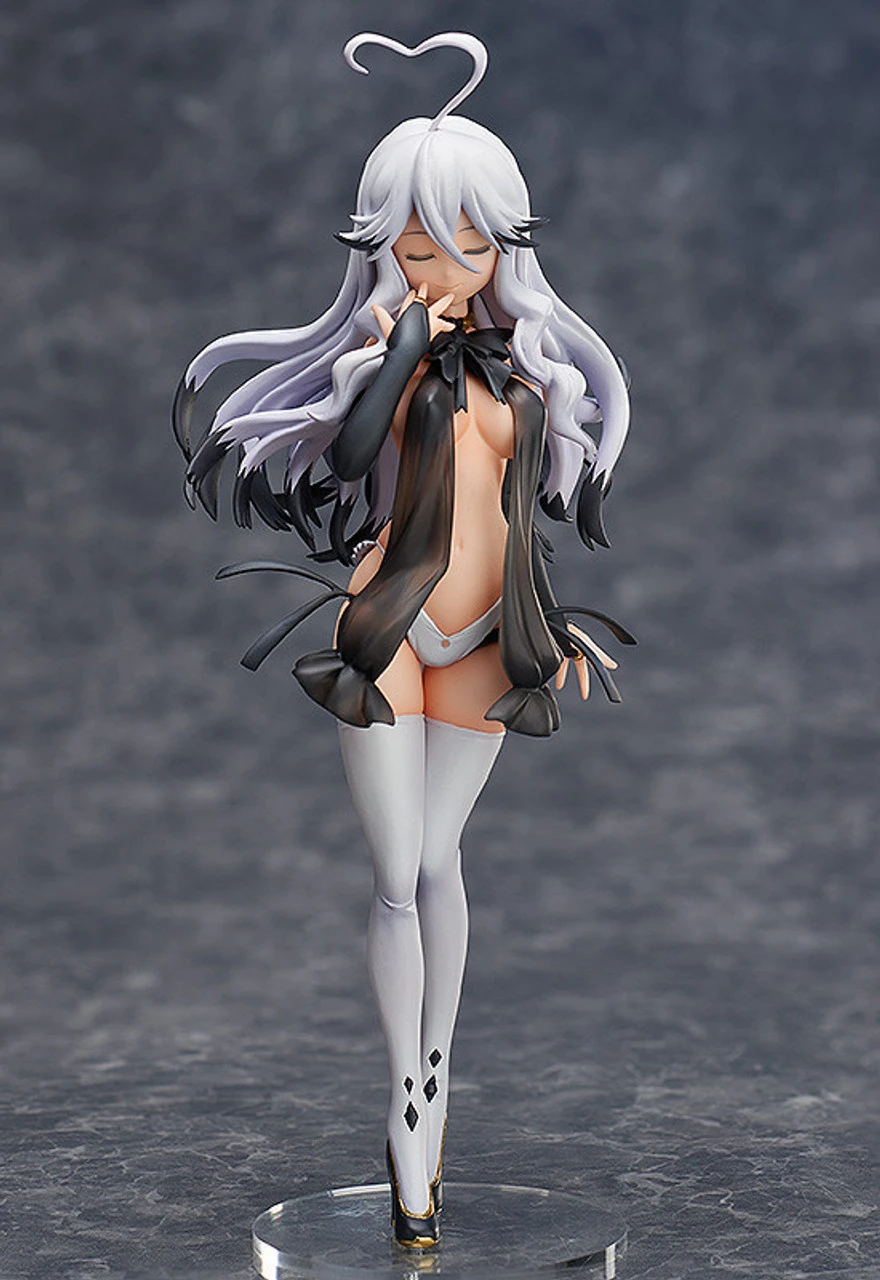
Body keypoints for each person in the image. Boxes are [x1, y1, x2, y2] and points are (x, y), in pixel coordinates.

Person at [173, 32, 633, 1249]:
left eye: (466, 242)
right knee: (392, 873)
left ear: (505, 243)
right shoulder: (391, 360)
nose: (443, 264)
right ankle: (402, 1108)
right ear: (385, 248)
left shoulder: (528, 379)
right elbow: (343, 450)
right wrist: (397, 348)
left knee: (439, 861)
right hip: (386, 627)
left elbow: (518, 523)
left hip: (484, 633)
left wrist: (552, 630)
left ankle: (435, 1086)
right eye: (417, 245)